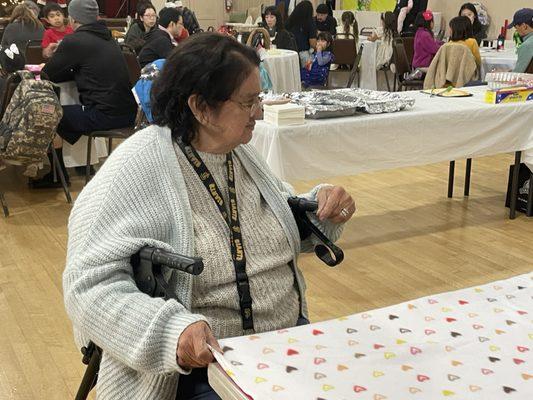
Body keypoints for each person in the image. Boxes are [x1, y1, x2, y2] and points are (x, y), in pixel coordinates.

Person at [63, 32, 355, 400]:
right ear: (201, 107)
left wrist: (323, 208)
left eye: (259, 98)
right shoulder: (135, 168)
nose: (259, 111)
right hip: (201, 370)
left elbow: (276, 219)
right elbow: (88, 286)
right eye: (248, 102)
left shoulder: (238, 154)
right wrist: (173, 333)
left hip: (282, 345)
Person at [33, 0, 137, 188]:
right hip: (129, 113)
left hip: (103, 116)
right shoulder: (109, 38)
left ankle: (57, 175)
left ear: (72, 18)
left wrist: (57, 54)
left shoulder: (76, 40)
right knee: (73, 110)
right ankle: (83, 165)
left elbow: (49, 74)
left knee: (47, 112)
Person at [286, 0, 317, 65]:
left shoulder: (289, 21)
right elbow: (313, 44)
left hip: (289, 53)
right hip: (303, 54)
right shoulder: (310, 23)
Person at [508, 8, 533, 73]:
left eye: (516, 27)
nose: (516, 31)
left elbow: (517, 74)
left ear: (524, 26)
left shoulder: (527, 45)